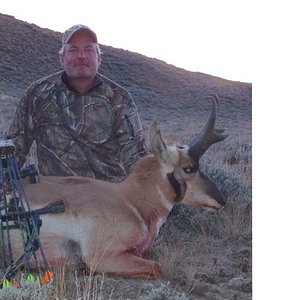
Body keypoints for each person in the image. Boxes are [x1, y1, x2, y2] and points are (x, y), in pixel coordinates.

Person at [7, 24, 147, 182]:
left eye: (89, 49)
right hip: (54, 198)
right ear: (62, 59)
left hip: (107, 198)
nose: (81, 56)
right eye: (73, 50)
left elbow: (137, 160)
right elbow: (13, 150)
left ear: (99, 58)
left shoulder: (119, 98)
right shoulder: (38, 94)